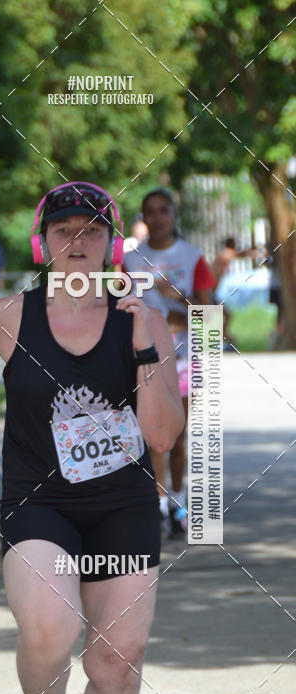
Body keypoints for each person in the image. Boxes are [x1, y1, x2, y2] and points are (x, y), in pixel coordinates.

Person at [0, 181, 184, 694]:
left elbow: (162, 435)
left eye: (92, 231)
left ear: (112, 245)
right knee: (51, 625)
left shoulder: (145, 320)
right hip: (38, 502)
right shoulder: (7, 317)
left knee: (117, 655)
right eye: (63, 231)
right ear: (41, 244)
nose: (77, 242)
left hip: (123, 505)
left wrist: (140, 344)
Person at [123, 188, 214, 537]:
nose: (158, 217)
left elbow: (208, 316)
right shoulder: (131, 260)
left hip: (184, 357)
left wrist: (179, 298)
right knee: (150, 436)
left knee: (177, 437)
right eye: (151, 211)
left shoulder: (192, 258)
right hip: (146, 358)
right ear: (143, 218)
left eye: (164, 210)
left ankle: (179, 501)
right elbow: (120, 307)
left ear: (174, 216)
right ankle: (157, 505)